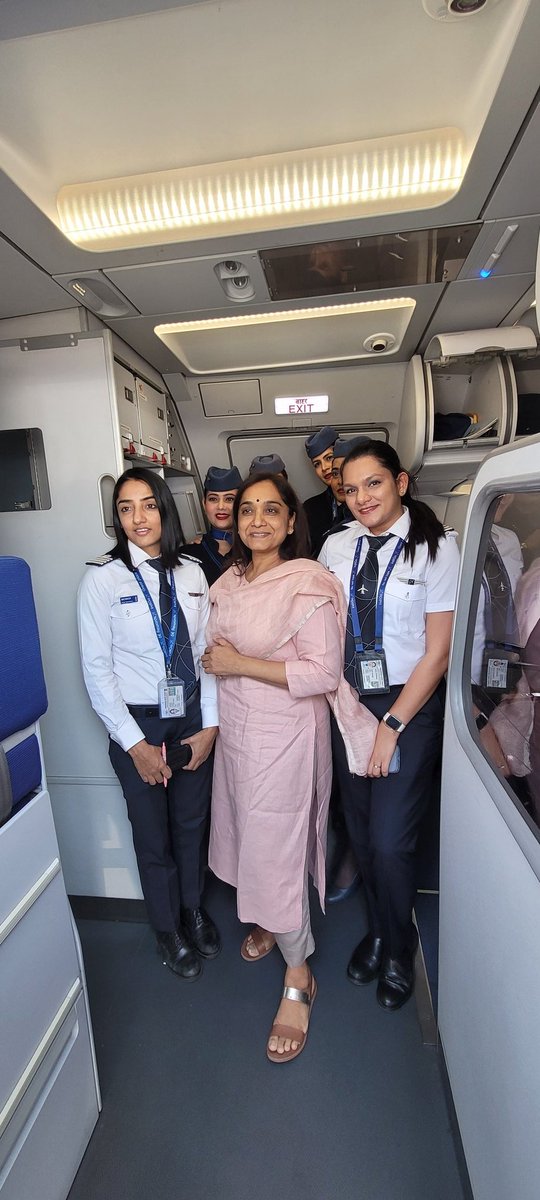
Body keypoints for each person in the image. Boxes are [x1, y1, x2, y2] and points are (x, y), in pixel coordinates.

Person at [202, 473, 376, 1062]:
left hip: (285, 736)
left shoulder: (307, 583)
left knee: (276, 844)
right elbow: (212, 657)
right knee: (249, 838)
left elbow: (321, 675)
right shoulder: (225, 582)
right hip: (238, 736)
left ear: (290, 520)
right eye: (245, 510)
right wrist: (224, 668)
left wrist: (239, 662)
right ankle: (270, 921)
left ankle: (299, 974)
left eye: (269, 511)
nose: (255, 521)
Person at [320, 439, 460, 1010]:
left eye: (373, 484)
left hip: (409, 704)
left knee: (391, 841)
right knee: (358, 829)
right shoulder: (334, 546)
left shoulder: (435, 549)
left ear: (400, 483)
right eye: (350, 490)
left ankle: (400, 949)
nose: (361, 499)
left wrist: (393, 723)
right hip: (349, 703)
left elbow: (439, 651)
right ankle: (378, 931)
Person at [77, 467, 220, 981]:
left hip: (190, 716)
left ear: (164, 507)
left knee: (190, 824)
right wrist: (135, 744)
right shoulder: (102, 579)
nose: (138, 518)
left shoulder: (191, 572)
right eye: (125, 508)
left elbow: (208, 656)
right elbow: (97, 671)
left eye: (148, 505)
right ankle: (166, 927)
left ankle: (192, 909)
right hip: (135, 722)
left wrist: (211, 727)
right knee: (152, 832)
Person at [180, 465, 242, 587]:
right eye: (213, 499)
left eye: (229, 499)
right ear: (204, 504)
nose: (221, 506)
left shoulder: (254, 551)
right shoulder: (187, 555)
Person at [303, 425, 338, 559]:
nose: (324, 468)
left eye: (329, 458)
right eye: (317, 464)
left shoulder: (361, 503)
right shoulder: (310, 508)